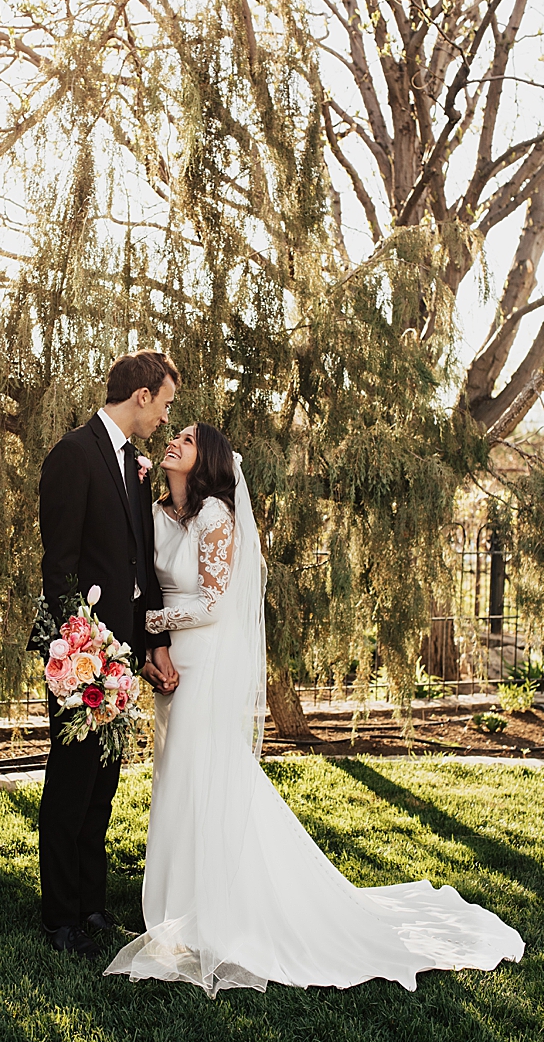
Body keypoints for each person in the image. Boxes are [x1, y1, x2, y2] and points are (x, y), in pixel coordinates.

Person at [105, 422, 525, 994]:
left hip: (201, 658)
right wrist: (150, 646)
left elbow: (209, 605)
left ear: (207, 460)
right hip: (170, 667)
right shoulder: (159, 516)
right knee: (177, 777)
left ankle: (219, 908)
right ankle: (180, 903)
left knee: (207, 775)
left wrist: (139, 627)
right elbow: (144, 582)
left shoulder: (214, 518)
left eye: (187, 438)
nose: (174, 441)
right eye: (173, 434)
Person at [35, 351, 182, 958]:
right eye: (166, 403)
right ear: (142, 394)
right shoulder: (74, 454)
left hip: (120, 659)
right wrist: (82, 649)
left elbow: (139, 568)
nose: (166, 417)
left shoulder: (134, 468)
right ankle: (59, 916)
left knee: (103, 786)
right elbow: (59, 565)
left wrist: (146, 644)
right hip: (82, 658)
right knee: (70, 786)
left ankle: (92, 908)